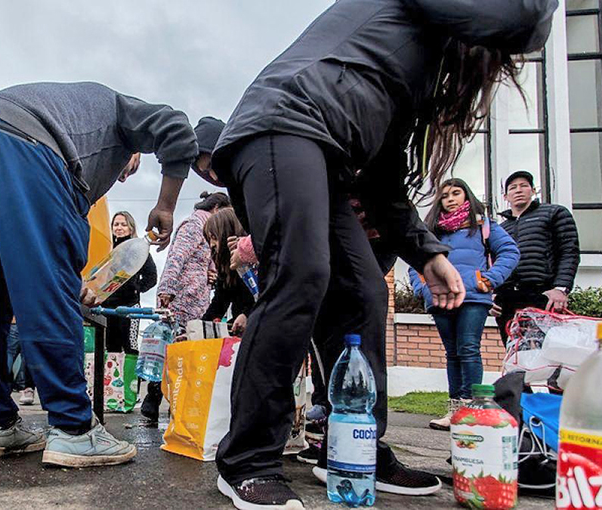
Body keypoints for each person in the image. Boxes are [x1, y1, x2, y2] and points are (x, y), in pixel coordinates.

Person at [191, 0, 557, 506]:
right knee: (302, 274)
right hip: (280, 126)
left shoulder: (414, 68)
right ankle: (246, 459)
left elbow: (384, 183)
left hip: (328, 160)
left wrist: (428, 254)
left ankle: (350, 445)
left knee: (365, 291)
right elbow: (523, 19)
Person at [0, 81, 197, 467]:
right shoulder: (120, 112)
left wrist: (64, 270)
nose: (121, 177)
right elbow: (178, 129)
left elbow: (52, 231)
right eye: (131, 165)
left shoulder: (71, 115)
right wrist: (165, 204)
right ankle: (74, 430)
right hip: (19, 142)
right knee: (46, 297)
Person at [409, 178, 519, 430]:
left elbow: (510, 252)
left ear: (467, 196)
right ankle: (455, 410)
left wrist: (489, 280)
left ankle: (471, 409)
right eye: (445, 195)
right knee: (452, 353)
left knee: (468, 347)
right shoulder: (431, 231)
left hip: (472, 296)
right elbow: (416, 261)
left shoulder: (483, 226)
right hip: (440, 299)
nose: (450, 198)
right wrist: (423, 287)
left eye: (456, 193)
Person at [144, 189, 231, 420]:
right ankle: (154, 397)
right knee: (173, 348)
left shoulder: (210, 230)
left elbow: (208, 260)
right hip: (180, 297)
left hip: (198, 299)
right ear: (215, 209)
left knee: (185, 348)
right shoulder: (193, 226)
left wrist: (211, 274)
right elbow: (177, 258)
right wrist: (167, 289)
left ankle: (176, 400)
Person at [493, 170, 580, 345]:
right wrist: (491, 293)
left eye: (524, 186)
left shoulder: (554, 213)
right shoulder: (500, 228)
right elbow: (492, 262)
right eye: (513, 188)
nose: (518, 190)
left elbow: (569, 251)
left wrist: (560, 288)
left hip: (543, 295)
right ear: (505, 196)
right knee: (514, 354)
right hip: (508, 299)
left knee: (545, 354)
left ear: (533, 191)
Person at [105, 211, 157, 354]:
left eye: (123, 224)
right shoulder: (106, 247)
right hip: (107, 305)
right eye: (116, 224)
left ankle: (131, 376)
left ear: (131, 228)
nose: (119, 228)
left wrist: (136, 287)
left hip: (130, 306)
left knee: (130, 346)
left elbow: (151, 276)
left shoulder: (139, 249)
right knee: (110, 347)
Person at [202, 208, 255, 337]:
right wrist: (197, 331)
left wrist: (247, 314)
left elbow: (265, 293)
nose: (212, 245)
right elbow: (218, 304)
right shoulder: (225, 268)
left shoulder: (253, 260)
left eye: (214, 237)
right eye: (209, 240)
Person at [6, 324, 36, 406]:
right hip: (30, 322)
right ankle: (27, 388)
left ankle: (0, 388)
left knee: (9, 354)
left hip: (14, 322)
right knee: (28, 354)